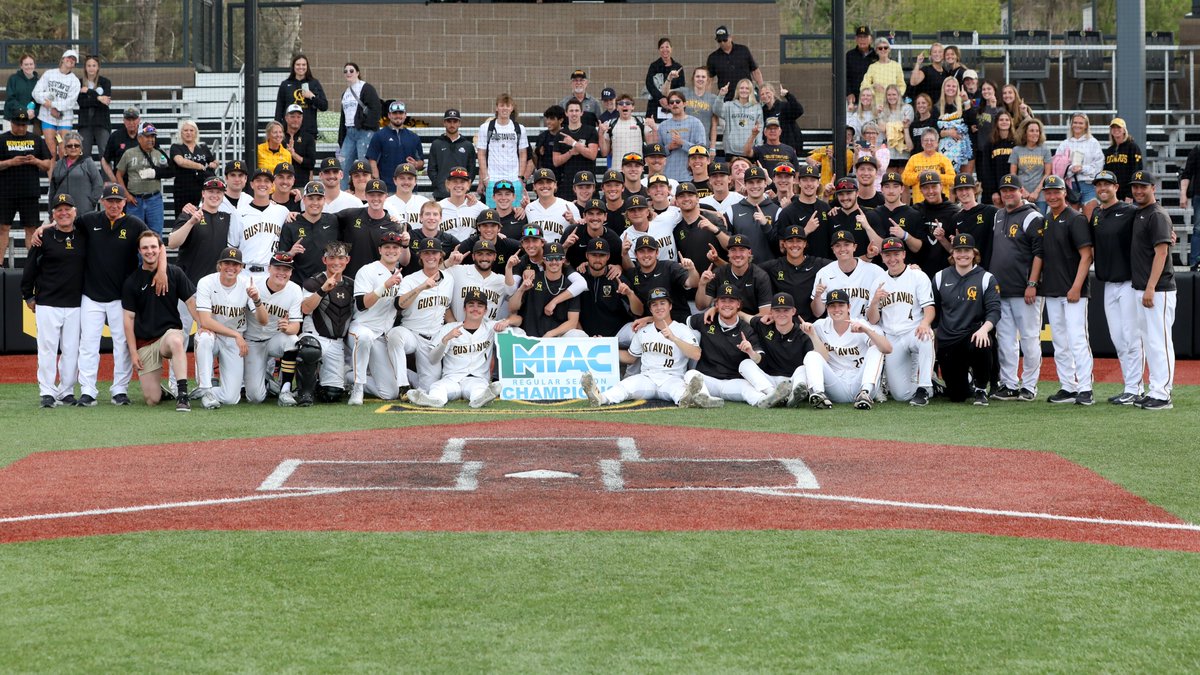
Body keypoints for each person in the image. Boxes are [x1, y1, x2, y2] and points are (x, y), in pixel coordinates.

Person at [581, 287, 720, 408]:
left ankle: (689, 399)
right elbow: (630, 358)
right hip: (647, 378)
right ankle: (600, 398)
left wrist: (674, 338)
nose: (659, 307)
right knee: (625, 385)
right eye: (654, 304)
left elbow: (696, 354)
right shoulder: (643, 331)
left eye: (662, 303)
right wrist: (605, 347)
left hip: (672, 378)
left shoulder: (682, 329)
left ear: (670, 306)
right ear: (650, 309)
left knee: (680, 393)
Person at [119, 231, 197, 410]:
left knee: (176, 341)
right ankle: (162, 391)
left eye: (153, 247)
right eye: (145, 248)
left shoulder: (174, 273)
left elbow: (191, 302)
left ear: (160, 249)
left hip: (168, 335)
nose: (150, 251)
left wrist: (202, 326)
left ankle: (182, 394)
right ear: (139, 251)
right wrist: (133, 352)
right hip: (146, 341)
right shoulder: (132, 281)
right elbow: (128, 319)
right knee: (151, 399)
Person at [22, 194, 86, 407]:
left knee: (71, 350)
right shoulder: (43, 236)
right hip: (47, 302)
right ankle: (47, 392)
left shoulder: (84, 234)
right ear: (53, 214)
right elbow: (30, 267)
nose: (64, 213)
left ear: (75, 212)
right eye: (59, 209)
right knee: (47, 349)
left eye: (68, 209)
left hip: (75, 303)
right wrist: (28, 295)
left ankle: (66, 391)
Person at [1038, 174, 1094, 405]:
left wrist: (1076, 287)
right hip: (1053, 289)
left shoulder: (1075, 218)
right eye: (1048, 192)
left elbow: (1087, 255)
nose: (1052, 196)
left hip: (1073, 291)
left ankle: (1085, 388)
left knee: (1077, 339)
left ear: (1064, 192)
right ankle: (1068, 386)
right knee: (1060, 342)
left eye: (1056, 192)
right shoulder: (1047, 219)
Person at [686, 283, 788, 407]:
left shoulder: (746, 330)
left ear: (738, 304)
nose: (727, 304)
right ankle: (705, 399)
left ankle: (768, 399)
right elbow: (684, 324)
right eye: (723, 301)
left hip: (733, 382)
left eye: (731, 301)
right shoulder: (705, 319)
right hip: (708, 380)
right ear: (716, 304)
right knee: (690, 374)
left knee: (748, 387)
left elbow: (762, 359)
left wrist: (751, 352)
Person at [990, 174, 1044, 402]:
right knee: (1006, 340)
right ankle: (1009, 384)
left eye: (1012, 190)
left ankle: (1029, 385)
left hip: (1025, 291)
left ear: (1021, 191)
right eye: (1004, 190)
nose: (1008, 194)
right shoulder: (999, 215)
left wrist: (1032, 283)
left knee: (1030, 339)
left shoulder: (1033, 216)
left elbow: (1040, 253)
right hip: (1001, 290)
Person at [1089, 171, 1142, 403]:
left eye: (1107, 184)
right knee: (1118, 338)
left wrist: (1168, 232)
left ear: (1116, 187)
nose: (1103, 188)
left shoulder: (1130, 211)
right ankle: (1130, 386)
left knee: (1132, 337)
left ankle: (1135, 389)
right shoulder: (1097, 214)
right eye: (1099, 185)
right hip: (1108, 283)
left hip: (1129, 283)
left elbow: (1151, 222)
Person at [407, 290, 510, 409]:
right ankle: (434, 400)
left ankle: (480, 399)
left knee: (479, 389)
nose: (475, 309)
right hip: (451, 379)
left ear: (485, 310)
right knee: (437, 387)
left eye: (480, 305)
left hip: (476, 379)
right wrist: (445, 340)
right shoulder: (449, 328)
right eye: (471, 305)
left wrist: (507, 321)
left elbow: (518, 319)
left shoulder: (490, 327)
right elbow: (432, 359)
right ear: (464, 308)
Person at [193, 246, 268, 409]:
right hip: (213, 334)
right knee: (204, 338)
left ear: (241, 268)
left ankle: (206, 390)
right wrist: (236, 335)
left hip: (233, 340)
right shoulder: (206, 282)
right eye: (227, 263)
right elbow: (205, 321)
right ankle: (205, 390)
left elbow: (263, 320)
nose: (231, 268)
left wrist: (257, 300)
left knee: (230, 398)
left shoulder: (247, 284)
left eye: (235, 264)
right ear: (219, 265)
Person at [932, 233, 1000, 405]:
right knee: (957, 396)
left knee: (983, 342)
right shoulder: (940, 277)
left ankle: (981, 388)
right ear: (953, 253)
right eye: (958, 250)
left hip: (972, 334)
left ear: (974, 253)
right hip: (948, 340)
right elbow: (935, 311)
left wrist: (984, 329)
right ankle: (967, 379)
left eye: (967, 251)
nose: (962, 255)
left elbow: (994, 311)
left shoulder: (986, 278)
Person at [1128, 171, 1176, 410]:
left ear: (1153, 188)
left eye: (1143, 186)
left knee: (1160, 342)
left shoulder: (1156, 214)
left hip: (1158, 289)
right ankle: (1155, 389)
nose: (1138, 190)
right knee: (1150, 342)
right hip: (1144, 288)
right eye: (1135, 186)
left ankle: (1163, 394)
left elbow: (1162, 252)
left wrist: (1150, 287)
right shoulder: (1140, 212)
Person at [867, 237, 935, 405]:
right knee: (901, 395)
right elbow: (873, 320)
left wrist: (925, 323)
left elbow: (929, 309)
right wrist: (874, 302)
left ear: (904, 254)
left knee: (926, 336)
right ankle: (932, 387)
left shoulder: (917, 276)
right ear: (882, 257)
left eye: (896, 254)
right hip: (892, 337)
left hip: (914, 331)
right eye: (887, 255)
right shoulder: (878, 282)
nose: (892, 259)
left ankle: (924, 387)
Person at [387, 236, 458, 395]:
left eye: (434, 253)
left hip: (432, 340)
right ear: (420, 256)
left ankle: (406, 376)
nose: (430, 256)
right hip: (411, 333)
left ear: (441, 255)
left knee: (428, 389)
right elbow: (399, 304)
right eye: (426, 253)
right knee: (395, 335)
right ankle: (403, 385)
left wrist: (456, 327)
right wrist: (421, 287)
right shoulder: (411, 279)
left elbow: (446, 308)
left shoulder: (449, 279)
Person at [799, 288, 891, 409]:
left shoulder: (859, 324)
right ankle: (819, 393)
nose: (836, 309)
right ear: (827, 308)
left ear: (849, 307)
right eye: (832, 306)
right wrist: (812, 335)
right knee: (811, 355)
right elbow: (823, 358)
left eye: (841, 305)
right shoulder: (820, 326)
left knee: (876, 349)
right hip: (835, 384)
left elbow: (887, 349)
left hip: (860, 382)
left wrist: (867, 331)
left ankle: (865, 394)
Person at [346, 230, 407, 404]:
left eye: (395, 247)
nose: (391, 250)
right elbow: (361, 304)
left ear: (400, 251)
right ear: (380, 250)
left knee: (390, 393)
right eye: (387, 247)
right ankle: (357, 387)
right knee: (364, 337)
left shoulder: (399, 275)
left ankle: (347, 376)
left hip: (381, 335)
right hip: (361, 327)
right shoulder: (368, 270)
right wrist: (384, 286)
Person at [297, 241, 355, 405]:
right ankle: (304, 392)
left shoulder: (351, 284)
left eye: (341, 258)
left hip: (337, 342)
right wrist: (322, 290)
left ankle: (318, 383)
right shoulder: (314, 282)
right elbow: (305, 308)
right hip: (315, 336)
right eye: (332, 258)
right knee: (309, 350)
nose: (336, 262)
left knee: (331, 394)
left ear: (347, 260)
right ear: (324, 260)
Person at [242, 252, 303, 405]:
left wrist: (287, 328)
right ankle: (268, 381)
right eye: (278, 268)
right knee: (255, 398)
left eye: (286, 269)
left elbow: (295, 326)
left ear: (291, 272)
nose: (282, 273)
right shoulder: (254, 285)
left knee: (292, 340)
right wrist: (257, 299)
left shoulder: (295, 290)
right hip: (252, 341)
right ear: (269, 268)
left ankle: (285, 389)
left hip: (274, 339)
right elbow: (262, 321)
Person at [0, 109, 52, 265]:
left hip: (29, 192)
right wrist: (11, 162)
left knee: (31, 229)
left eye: (24, 125)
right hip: (5, 192)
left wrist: (35, 161)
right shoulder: (2, 139)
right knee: (3, 228)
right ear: (11, 123)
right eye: (18, 125)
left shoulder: (36, 139)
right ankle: (0, 263)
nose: (21, 128)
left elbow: (47, 164)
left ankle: (32, 265)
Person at [508, 241, 587, 339]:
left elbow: (572, 322)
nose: (554, 262)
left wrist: (550, 334)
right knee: (509, 331)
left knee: (579, 335)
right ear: (544, 260)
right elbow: (512, 308)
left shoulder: (570, 286)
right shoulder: (532, 279)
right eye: (549, 258)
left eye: (558, 258)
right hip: (531, 338)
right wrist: (521, 290)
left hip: (557, 339)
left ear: (563, 260)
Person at [811, 227, 886, 321]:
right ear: (833, 249)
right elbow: (817, 313)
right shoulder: (824, 273)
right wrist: (817, 296)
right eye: (837, 245)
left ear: (854, 247)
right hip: (835, 326)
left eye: (846, 244)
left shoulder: (875, 271)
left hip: (865, 326)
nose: (842, 249)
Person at [279, 181, 342, 280]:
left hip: (327, 282)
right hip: (299, 284)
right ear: (304, 199)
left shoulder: (333, 221)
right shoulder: (291, 224)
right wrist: (290, 253)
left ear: (324, 200)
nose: (315, 203)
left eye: (319, 199)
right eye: (311, 198)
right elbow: (279, 259)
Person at [696, 233, 771, 316]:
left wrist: (735, 316)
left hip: (749, 321)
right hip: (723, 320)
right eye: (733, 250)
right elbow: (701, 306)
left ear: (749, 252)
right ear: (728, 253)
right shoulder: (718, 273)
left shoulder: (760, 276)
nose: (737, 254)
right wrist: (702, 284)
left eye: (742, 250)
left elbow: (765, 314)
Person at [115, 123, 171, 234]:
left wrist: (157, 172)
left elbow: (170, 171)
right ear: (139, 138)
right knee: (133, 233)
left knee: (156, 233)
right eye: (147, 136)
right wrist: (126, 195)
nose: (151, 139)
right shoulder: (129, 153)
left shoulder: (159, 153)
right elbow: (119, 174)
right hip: (135, 200)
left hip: (154, 199)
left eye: (153, 136)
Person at [476, 93, 529, 206]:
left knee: (515, 213)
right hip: (493, 179)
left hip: (514, 179)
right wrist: (485, 178)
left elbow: (523, 154)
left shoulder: (520, 128)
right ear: (496, 108)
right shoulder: (485, 128)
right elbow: (481, 154)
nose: (504, 108)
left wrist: (520, 177)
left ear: (512, 108)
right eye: (501, 105)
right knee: (493, 214)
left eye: (507, 105)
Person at [337, 62, 381, 189]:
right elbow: (343, 117)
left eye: (351, 71)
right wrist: (341, 138)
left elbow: (376, 109)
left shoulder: (366, 88)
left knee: (364, 167)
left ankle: (367, 194)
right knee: (342, 165)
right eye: (345, 71)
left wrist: (365, 125)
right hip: (349, 133)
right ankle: (343, 193)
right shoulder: (345, 94)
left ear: (357, 73)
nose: (348, 73)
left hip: (364, 132)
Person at [32, 49, 81, 159]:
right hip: (47, 117)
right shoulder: (49, 74)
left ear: (74, 64)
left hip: (65, 119)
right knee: (52, 152)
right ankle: (52, 171)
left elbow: (70, 103)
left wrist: (52, 105)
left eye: (73, 59)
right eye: (69, 57)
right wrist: (46, 102)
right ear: (63, 59)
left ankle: (63, 171)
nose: (71, 60)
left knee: (64, 150)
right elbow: (35, 93)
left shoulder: (75, 81)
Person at [367, 100, 424, 193]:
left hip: (409, 188)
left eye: (401, 113)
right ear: (389, 115)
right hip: (387, 189)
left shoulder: (414, 137)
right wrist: (377, 180)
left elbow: (421, 162)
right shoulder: (379, 135)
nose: (398, 116)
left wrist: (416, 164)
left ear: (405, 115)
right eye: (394, 113)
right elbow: (372, 159)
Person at [1054, 113, 1104, 209]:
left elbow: (1098, 166)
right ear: (1071, 124)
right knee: (1072, 217)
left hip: (1088, 185)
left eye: (1081, 123)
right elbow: (1057, 166)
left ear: (1086, 126)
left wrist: (1082, 168)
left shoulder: (1093, 143)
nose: (1077, 125)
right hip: (1070, 186)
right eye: (1075, 122)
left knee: (1090, 217)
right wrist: (1071, 169)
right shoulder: (1064, 144)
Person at [170, 120, 217, 221]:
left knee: (202, 220)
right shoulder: (176, 147)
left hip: (201, 190)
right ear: (181, 133)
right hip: (182, 190)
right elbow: (180, 161)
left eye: (191, 130)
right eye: (185, 130)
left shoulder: (202, 147)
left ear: (196, 132)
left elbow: (214, 161)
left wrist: (214, 164)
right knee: (183, 219)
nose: (188, 133)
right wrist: (199, 166)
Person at [273, 54, 327, 139]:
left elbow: (324, 106)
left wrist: (312, 97)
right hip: (289, 132)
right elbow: (279, 109)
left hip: (309, 131)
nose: (301, 67)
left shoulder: (314, 83)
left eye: (303, 65)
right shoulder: (285, 84)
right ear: (293, 66)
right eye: (298, 64)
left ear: (307, 66)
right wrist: (278, 129)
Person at [554, 100, 600, 199]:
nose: (574, 113)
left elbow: (592, 155)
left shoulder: (590, 131)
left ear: (581, 112)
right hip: (568, 184)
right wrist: (571, 152)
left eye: (576, 110)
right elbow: (556, 161)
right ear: (566, 113)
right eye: (571, 111)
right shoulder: (561, 134)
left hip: (588, 182)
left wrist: (574, 144)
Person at [48, 130, 102, 215]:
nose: (73, 148)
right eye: (69, 146)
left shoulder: (88, 162)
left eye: (76, 145)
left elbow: (98, 184)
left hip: (83, 211)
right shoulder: (59, 164)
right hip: (63, 212)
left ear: (81, 148)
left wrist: (90, 202)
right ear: (65, 148)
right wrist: (51, 211)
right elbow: (52, 189)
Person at [656, 93, 706, 183]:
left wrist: (682, 143)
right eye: (671, 102)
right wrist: (669, 147)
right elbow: (658, 153)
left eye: (678, 101)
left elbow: (703, 150)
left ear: (684, 104)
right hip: (669, 177)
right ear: (669, 106)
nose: (674, 104)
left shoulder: (696, 123)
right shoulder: (663, 126)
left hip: (690, 176)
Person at [428, 108, 476, 201]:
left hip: (461, 193)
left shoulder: (468, 145)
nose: (452, 124)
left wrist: (464, 187)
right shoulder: (436, 144)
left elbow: (471, 170)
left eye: (455, 121)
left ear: (459, 123)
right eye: (449, 121)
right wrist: (440, 185)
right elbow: (431, 169)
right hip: (441, 194)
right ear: (444, 123)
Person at [707, 25, 764, 101]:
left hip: (747, 96)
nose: (722, 43)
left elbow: (755, 71)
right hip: (727, 98)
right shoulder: (713, 57)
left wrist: (762, 89)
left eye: (724, 40)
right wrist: (707, 97)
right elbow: (709, 80)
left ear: (730, 37)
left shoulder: (743, 50)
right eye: (719, 41)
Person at [599, 93, 655, 169]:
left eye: (628, 103)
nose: (624, 105)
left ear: (633, 107)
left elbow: (652, 146)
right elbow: (604, 153)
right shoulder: (610, 124)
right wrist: (601, 134)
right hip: (618, 170)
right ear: (617, 107)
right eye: (621, 103)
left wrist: (654, 128)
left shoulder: (641, 122)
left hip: (636, 170)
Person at [1009, 118, 1052, 212]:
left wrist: (1036, 192)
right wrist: (1022, 190)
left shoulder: (1045, 150)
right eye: (1032, 131)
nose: (1035, 133)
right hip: (1021, 194)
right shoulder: (1016, 150)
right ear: (1025, 133)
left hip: (1040, 195)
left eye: (1037, 131)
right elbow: (1013, 174)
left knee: (1040, 219)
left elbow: (1047, 173)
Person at [901, 128, 954, 204]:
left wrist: (936, 176)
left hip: (940, 204)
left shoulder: (944, 159)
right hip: (920, 204)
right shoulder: (914, 159)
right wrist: (918, 176)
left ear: (937, 143)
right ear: (922, 142)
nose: (929, 142)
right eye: (926, 140)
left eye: (932, 140)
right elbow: (904, 179)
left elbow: (952, 179)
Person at [678, 68, 723, 156]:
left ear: (707, 80)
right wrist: (669, 79)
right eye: (697, 76)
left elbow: (714, 125)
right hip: (683, 142)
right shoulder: (684, 93)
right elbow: (665, 93)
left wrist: (712, 147)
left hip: (702, 142)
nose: (700, 79)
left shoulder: (713, 98)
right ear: (693, 78)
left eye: (703, 77)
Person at [438, 166, 488, 243]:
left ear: (468, 185)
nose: (459, 185)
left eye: (462, 182)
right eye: (455, 181)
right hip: (446, 249)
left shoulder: (479, 207)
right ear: (448, 184)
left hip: (471, 249)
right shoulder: (439, 207)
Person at [76, 55, 112, 160]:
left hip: (102, 123)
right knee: (84, 154)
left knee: (104, 154)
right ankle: (85, 172)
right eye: (89, 65)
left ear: (98, 67)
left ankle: (106, 172)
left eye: (94, 65)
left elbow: (105, 102)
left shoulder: (105, 82)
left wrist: (89, 91)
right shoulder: (79, 82)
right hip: (85, 123)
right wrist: (99, 98)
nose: (91, 68)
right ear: (85, 67)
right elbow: (82, 103)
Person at [935, 77, 972, 172]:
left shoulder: (963, 105)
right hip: (943, 151)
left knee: (963, 179)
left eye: (953, 86)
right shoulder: (936, 107)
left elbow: (971, 122)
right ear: (943, 88)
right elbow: (933, 130)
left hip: (962, 151)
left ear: (957, 89)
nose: (951, 88)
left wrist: (966, 101)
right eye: (948, 86)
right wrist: (948, 133)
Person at [645, 38, 686, 122]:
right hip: (655, 104)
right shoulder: (654, 66)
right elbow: (649, 84)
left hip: (672, 104)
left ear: (671, 48)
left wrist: (670, 100)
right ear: (659, 50)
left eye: (667, 47)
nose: (665, 49)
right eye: (662, 47)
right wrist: (660, 98)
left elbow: (681, 86)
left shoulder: (678, 67)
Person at [720, 80, 762, 161]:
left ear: (751, 91)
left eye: (747, 88)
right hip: (731, 151)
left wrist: (758, 147)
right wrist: (721, 96)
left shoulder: (756, 107)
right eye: (741, 88)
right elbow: (716, 110)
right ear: (737, 90)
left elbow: (760, 126)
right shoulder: (729, 105)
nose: (744, 90)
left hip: (749, 150)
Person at [1103, 118, 1143, 202]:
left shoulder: (1132, 147)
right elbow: (1106, 173)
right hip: (1113, 193)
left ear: (1124, 130)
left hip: (1128, 193)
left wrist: (1130, 193)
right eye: (1113, 128)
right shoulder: (1109, 151)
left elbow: (1137, 171)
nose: (1116, 130)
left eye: (1119, 127)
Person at [982, 110, 1016, 207]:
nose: (1004, 122)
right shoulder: (990, 143)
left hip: (1013, 188)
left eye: (1007, 120)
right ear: (996, 122)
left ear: (1011, 122)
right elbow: (987, 170)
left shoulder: (1016, 143)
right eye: (1001, 120)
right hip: (996, 189)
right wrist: (993, 191)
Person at [102, 107, 142, 182]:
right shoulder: (116, 136)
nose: (131, 123)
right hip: (121, 181)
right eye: (128, 119)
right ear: (123, 120)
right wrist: (113, 179)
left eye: (134, 119)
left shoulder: (146, 136)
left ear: (139, 120)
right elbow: (104, 160)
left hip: (141, 182)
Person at [861, 37, 905, 105]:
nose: (883, 50)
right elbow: (863, 86)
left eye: (885, 47)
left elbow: (902, 85)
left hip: (892, 104)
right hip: (877, 104)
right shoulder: (872, 67)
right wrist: (873, 86)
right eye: (880, 48)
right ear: (876, 51)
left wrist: (895, 95)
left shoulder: (896, 66)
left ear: (889, 49)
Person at [878, 85, 913, 163]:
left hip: (904, 151)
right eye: (889, 95)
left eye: (894, 94)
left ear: (899, 95)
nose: (891, 97)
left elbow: (906, 125)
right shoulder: (883, 110)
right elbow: (883, 129)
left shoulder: (907, 108)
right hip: (888, 152)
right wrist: (879, 114)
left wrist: (889, 126)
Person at [845, 25, 878, 106]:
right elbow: (845, 77)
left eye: (865, 37)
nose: (862, 39)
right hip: (855, 99)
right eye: (860, 37)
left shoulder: (877, 54)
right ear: (856, 39)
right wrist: (849, 93)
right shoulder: (850, 55)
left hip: (874, 98)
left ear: (871, 39)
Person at [4, 54, 38, 129]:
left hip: (28, 121)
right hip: (11, 119)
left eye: (31, 64)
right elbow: (10, 99)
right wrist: (24, 110)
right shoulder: (13, 79)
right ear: (21, 66)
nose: (29, 66)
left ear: (34, 65)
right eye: (26, 64)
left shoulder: (39, 82)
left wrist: (34, 112)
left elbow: (38, 101)